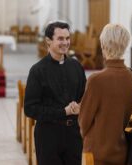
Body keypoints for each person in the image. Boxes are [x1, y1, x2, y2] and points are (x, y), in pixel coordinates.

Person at [24, 21, 86, 165]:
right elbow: (30, 108)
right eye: (60, 39)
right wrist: (62, 112)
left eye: (67, 38)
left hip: (73, 134)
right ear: (48, 41)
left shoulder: (76, 66)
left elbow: (84, 97)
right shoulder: (37, 70)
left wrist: (80, 106)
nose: (65, 42)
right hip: (48, 135)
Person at [78, 24, 132, 165]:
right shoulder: (131, 76)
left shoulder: (96, 79)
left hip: (96, 154)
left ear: (104, 46)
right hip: (120, 150)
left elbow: (83, 123)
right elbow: (126, 115)